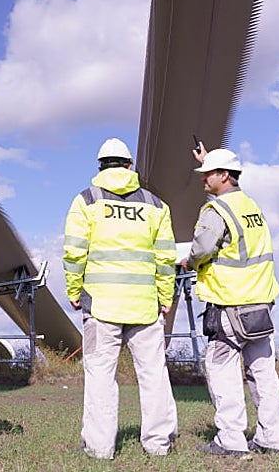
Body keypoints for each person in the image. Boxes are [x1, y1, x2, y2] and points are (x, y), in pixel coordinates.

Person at [63, 137, 178, 459]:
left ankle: (100, 448)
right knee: (154, 374)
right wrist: (165, 296)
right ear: (130, 166)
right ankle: (158, 444)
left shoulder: (86, 201)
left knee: (100, 375)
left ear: (100, 167)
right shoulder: (156, 206)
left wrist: (74, 291)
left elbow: (74, 253)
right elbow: (165, 258)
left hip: (101, 306)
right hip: (146, 305)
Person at [181, 146, 279, 457]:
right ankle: (272, 440)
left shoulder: (215, 211)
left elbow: (201, 249)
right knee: (263, 373)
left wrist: (188, 262)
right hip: (260, 304)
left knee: (221, 370)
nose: (202, 179)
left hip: (229, 304)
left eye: (207, 175)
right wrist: (208, 161)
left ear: (223, 176)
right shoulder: (250, 206)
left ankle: (231, 440)